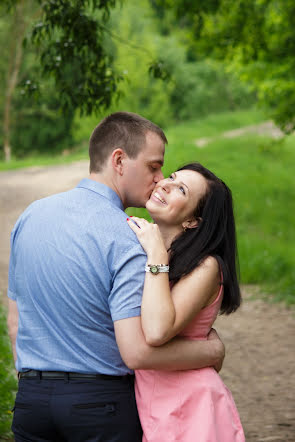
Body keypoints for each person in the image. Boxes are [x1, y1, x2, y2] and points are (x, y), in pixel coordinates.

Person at [7, 112, 225, 442]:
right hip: (99, 405)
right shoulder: (129, 238)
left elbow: (14, 319)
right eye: (154, 166)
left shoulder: (30, 216)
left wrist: (32, 384)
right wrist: (211, 352)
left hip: (31, 403)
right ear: (119, 161)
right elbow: (137, 350)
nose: (160, 178)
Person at [127, 162, 245, 441]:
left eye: (180, 189)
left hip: (192, 408)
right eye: (172, 176)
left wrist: (157, 254)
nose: (165, 184)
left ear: (193, 221)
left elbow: (156, 331)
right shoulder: (137, 242)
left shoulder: (206, 267)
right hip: (151, 405)